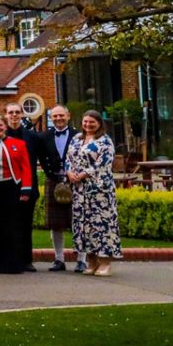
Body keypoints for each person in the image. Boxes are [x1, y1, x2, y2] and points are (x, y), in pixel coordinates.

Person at [66, 110, 121, 278]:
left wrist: (85, 173)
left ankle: (105, 262)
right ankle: (91, 261)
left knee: (101, 225)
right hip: (79, 191)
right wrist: (69, 172)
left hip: (99, 191)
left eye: (92, 122)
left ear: (99, 124)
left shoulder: (105, 141)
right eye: (85, 121)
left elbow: (103, 163)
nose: (88, 125)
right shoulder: (76, 139)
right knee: (84, 225)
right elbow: (68, 159)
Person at [0, 115, 38, 274]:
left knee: (13, 226)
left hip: (12, 188)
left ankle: (14, 263)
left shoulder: (19, 144)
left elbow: (26, 167)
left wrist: (26, 188)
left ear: (5, 127)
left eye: (0, 125)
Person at [38, 104, 78, 271]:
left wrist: (73, 174)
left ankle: (81, 259)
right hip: (53, 179)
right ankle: (59, 258)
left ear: (68, 116)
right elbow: (41, 156)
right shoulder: (44, 136)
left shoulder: (78, 136)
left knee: (78, 221)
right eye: (55, 116)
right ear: (51, 118)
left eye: (61, 115)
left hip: (76, 181)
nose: (58, 118)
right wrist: (52, 174)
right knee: (56, 223)